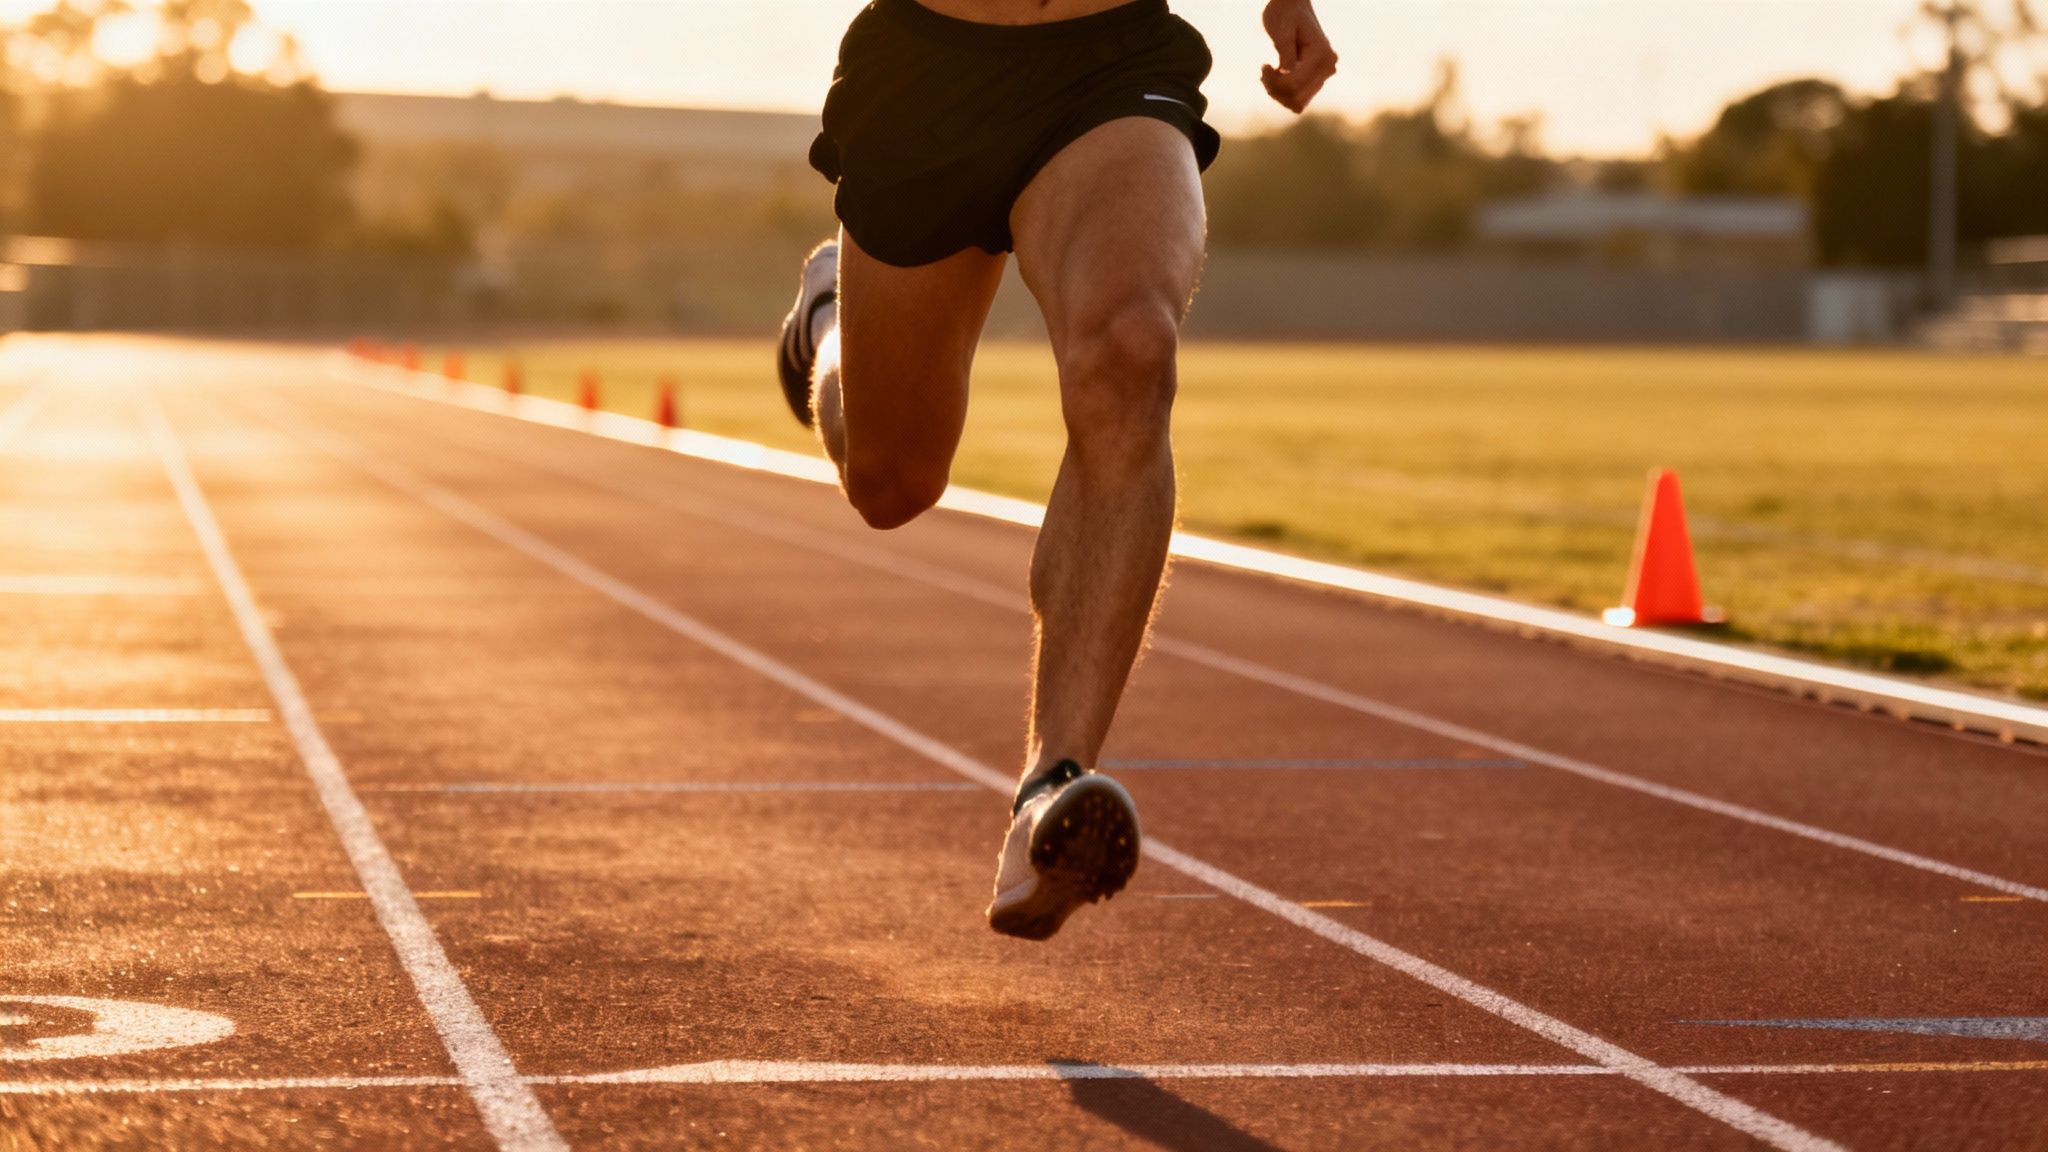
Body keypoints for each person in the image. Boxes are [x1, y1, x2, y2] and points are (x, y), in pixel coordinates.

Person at [776, 0, 1337, 940]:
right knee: (892, 481)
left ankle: (1052, 783)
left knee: (1131, 349)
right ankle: (828, 318)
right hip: (926, 68)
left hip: (1107, 62)